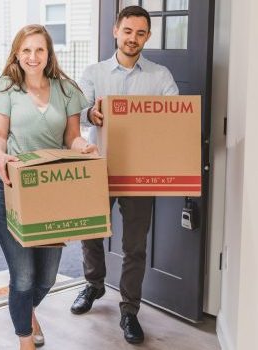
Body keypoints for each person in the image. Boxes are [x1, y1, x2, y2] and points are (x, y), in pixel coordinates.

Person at [69, 5, 179, 345]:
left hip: (141, 174)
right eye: (128, 31)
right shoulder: (93, 72)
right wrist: (92, 112)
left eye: (140, 33)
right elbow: (80, 113)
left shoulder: (160, 77)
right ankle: (94, 284)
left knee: (134, 245)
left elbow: (176, 119)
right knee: (90, 231)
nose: (133, 38)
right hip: (99, 165)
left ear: (147, 36)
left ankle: (129, 311)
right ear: (116, 31)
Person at [0, 24, 97, 350]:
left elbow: (71, 137)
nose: (33, 57)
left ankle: (26, 311)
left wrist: (83, 147)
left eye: (39, 50)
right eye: (26, 50)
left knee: (46, 278)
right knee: (22, 277)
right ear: (17, 55)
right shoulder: (5, 89)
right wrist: (0, 155)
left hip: (50, 194)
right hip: (9, 191)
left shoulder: (66, 90)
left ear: (49, 53)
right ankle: (25, 341)